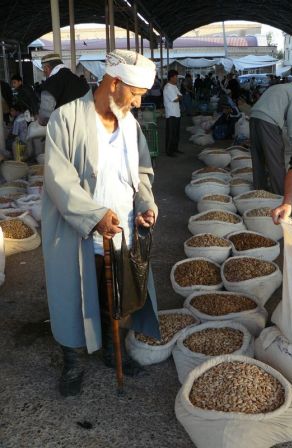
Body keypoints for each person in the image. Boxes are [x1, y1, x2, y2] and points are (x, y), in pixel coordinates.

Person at [42, 49, 160, 397]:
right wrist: (94, 217)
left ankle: (112, 351)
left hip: (121, 229)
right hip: (79, 231)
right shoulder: (67, 119)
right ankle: (73, 362)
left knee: (115, 297)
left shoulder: (129, 124)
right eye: (136, 94)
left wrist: (145, 204)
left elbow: (141, 172)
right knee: (73, 297)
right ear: (114, 83)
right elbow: (58, 178)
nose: (138, 104)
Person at [249, 78, 292, 195]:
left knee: (258, 157)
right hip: (268, 122)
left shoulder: (277, 87)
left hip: (254, 119)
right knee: (275, 159)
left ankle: (260, 191)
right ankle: (280, 196)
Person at [38, 53, 90, 125]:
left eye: (44, 70)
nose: (44, 74)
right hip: (84, 126)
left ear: (47, 68)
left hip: (63, 129)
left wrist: (41, 122)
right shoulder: (81, 81)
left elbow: (45, 115)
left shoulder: (50, 83)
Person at [163, 69, 182, 157]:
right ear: (171, 78)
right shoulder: (168, 87)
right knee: (170, 134)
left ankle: (175, 149)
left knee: (176, 133)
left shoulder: (174, 86)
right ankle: (169, 152)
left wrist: (178, 97)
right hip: (171, 114)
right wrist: (178, 97)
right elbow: (175, 99)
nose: (176, 79)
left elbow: (180, 96)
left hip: (177, 113)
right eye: (175, 77)